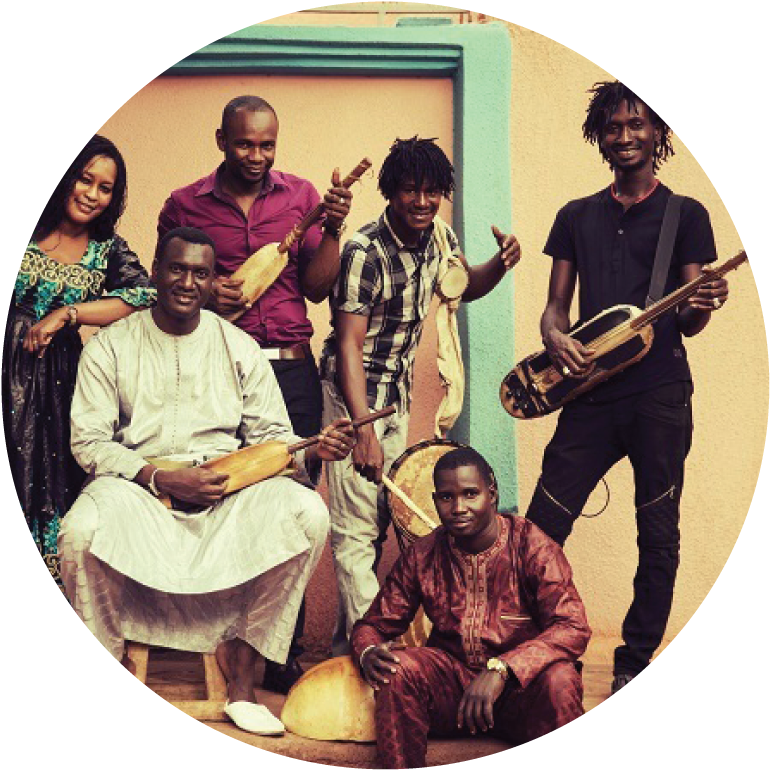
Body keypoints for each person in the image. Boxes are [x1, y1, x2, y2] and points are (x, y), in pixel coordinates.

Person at [58, 227, 355, 736]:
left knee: (305, 513)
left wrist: (311, 453)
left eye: (201, 272)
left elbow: (274, 438)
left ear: (214, 278)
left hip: (224, 489)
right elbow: (88, 442)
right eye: (177, 269)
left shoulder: (237, 346)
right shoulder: (111, 345)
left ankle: (240, 674)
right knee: (80, 530)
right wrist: (158, 475)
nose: (187, 282)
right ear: (155, 270)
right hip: (139, 488)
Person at [524, 81, 729, 694]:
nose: (625, 135)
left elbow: (689, 320)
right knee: (541, 526)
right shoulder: (575, 216)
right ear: (600, 136)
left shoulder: (685, 215)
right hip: (589, 392)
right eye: (613, 126)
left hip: (660, 394)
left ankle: (634, 661)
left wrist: (706, 302)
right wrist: (556, 340)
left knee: (657, 529)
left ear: (659, 133)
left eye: (637, 124)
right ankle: (534, 647)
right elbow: (554, 310)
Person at [157, 94, 353, 692]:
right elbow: (168, 279)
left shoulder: (300, 196)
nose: (257, 156)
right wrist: (208, 289)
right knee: (217, 497)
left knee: (290, 503)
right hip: (218, 368)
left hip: (290, 371)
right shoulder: (184, 204)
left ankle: (276, 652)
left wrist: (334, 228)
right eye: (245, 143)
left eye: (268, 144)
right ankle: (213, 644)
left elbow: (318, 289)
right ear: (221, 140)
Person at [320, 136, 521, 656]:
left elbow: (462, 285)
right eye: (410, 189)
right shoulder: (363, 250)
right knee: (354, 530)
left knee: (382, 521)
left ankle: (351, 640)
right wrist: (361, 430)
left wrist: (500, 264)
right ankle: (375, 654)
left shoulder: (440, 235)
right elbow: (348, 345)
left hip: (396, 396)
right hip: (352, 399)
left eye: (432, 191)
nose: (422, 201)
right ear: (390, 191)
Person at [351, 446, 590, 769]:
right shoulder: (424, 554)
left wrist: (503, 668)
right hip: (455, 695)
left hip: (521, 692)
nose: (459, 507)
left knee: (561, 679)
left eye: (470, 494)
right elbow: (374, 625)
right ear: (436, 502)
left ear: (491, 494)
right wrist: (367, 651)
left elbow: (573, 627)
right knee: (399, 670)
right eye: (447, 498)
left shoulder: (530, 545)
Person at [4, 135, 156, 574]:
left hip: (57, 391)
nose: (91, 194)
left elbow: (144, 295)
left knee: (49, 490)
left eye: (105, 188)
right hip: (4, 378)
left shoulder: (106, 249)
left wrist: (69, 313)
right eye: (84, 179)